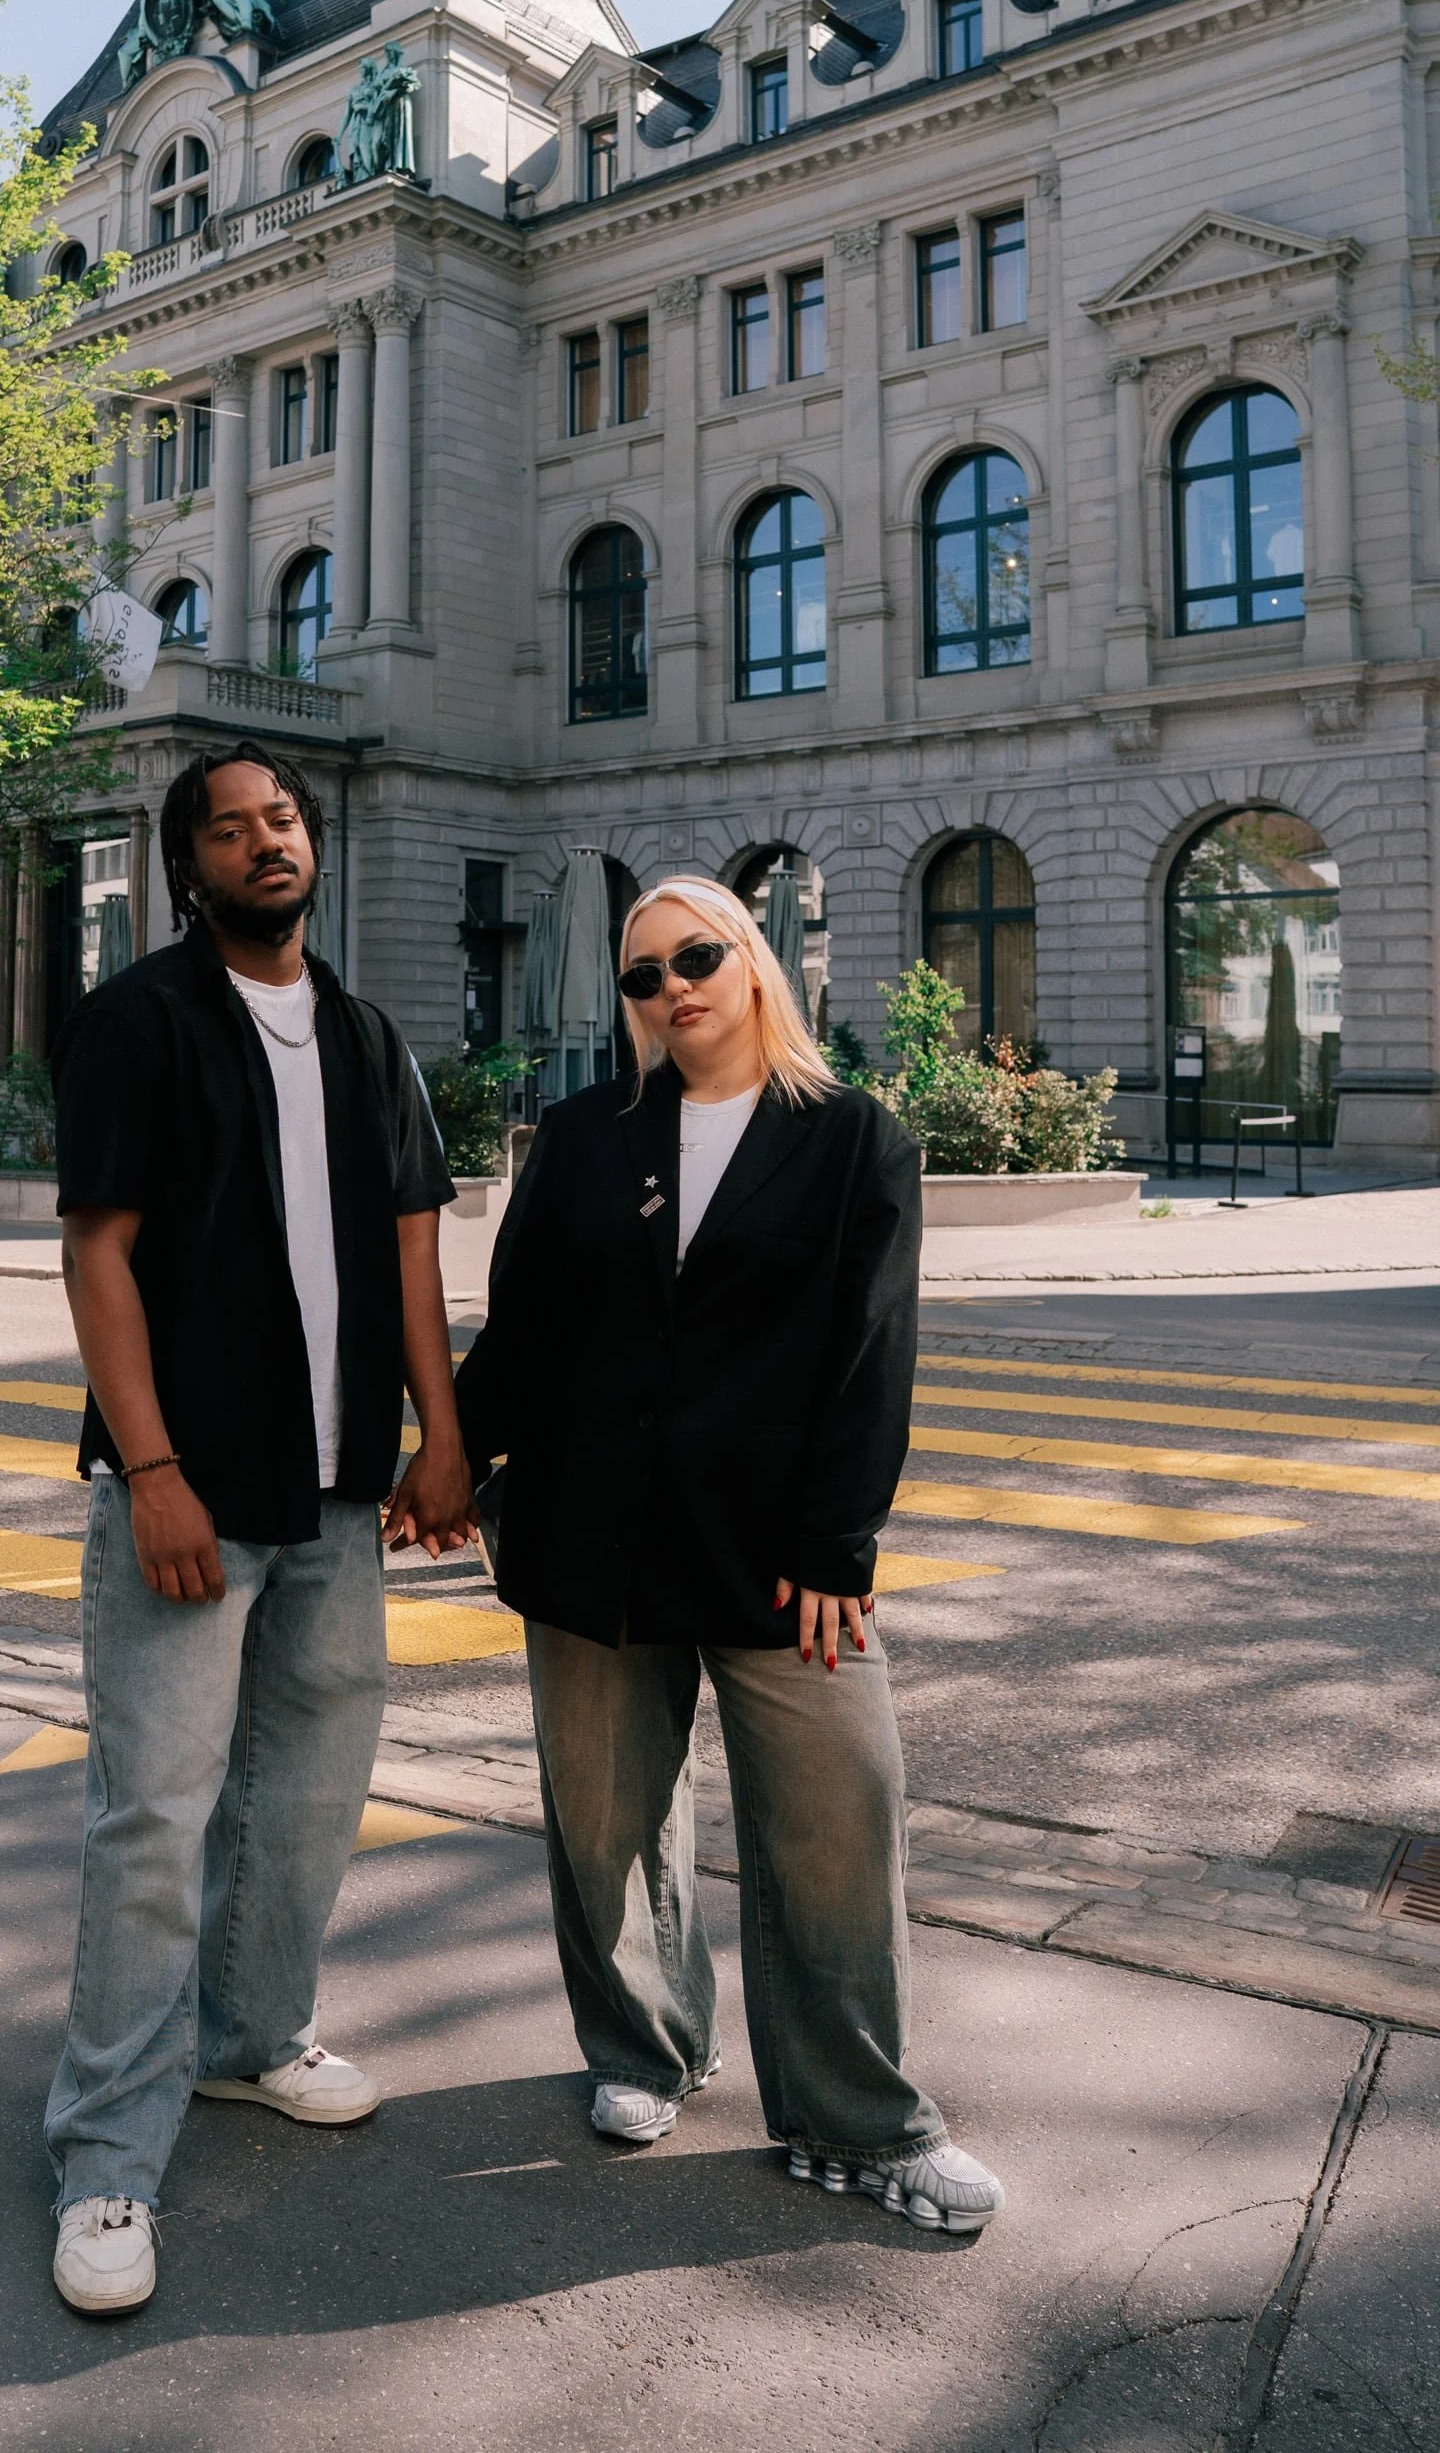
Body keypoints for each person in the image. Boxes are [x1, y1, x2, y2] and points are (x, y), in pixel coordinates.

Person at [456, 873, 1002, 2235]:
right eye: (644, 975)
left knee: (835, 1826)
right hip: (590, 1536)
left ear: (755, 960)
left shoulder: (850, 1137)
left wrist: (838, 1544)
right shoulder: (586, 1136)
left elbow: (871, 1357)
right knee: (605, 1823)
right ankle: (648, 2047)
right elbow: (521, 1331)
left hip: (778, 1555)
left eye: (697, 955)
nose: (673, 986)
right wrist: (452, 1462)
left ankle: (856, 2118)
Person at [43, 743, 475, 2315]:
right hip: (194, 1491)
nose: (264, 843)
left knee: (305, 1795)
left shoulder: (366, 1036)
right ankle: (104, 2155)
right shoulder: (139, 1025)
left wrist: (446, 1439)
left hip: (344, 1488)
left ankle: (247, 2042)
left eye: (282, 819)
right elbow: (98, 1258)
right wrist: (151, 1470)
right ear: (190, 868)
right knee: (152, 1815)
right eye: (230, 830)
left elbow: (417, 1258)